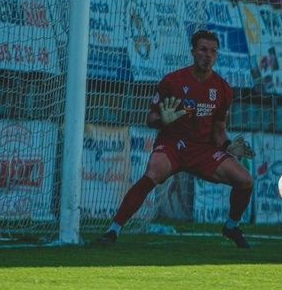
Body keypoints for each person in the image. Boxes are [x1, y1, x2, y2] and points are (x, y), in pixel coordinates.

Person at [97, 31, 256, 248]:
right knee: (153, 172)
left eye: (212, 51)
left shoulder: (222, 89)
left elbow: (219, 131)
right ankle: (113, 231)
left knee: (245, 180)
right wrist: (163, 120)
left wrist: (230, 147)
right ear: (193, 52)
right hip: (173, 144)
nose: (207, 55)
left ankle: (231, 226)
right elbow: (150, 118)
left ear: (217, 55)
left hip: (203, 150)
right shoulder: (173, 81)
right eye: (202, 49)